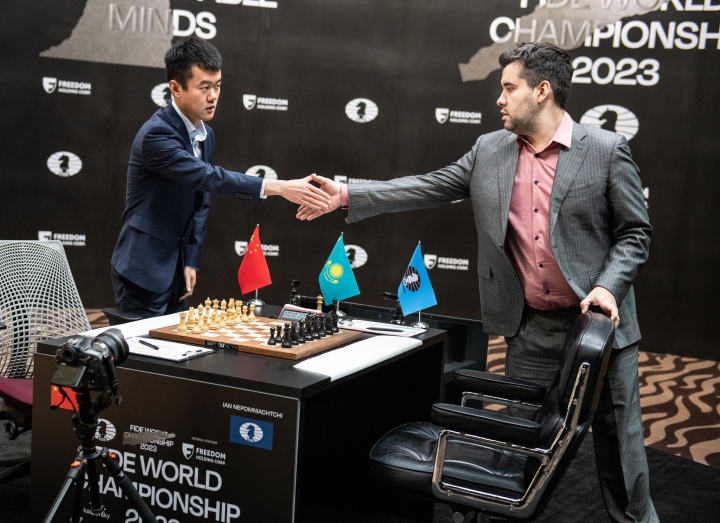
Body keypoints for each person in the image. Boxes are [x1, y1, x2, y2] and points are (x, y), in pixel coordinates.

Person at [299, 42, 658, 523]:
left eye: (509, 88)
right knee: (515, 455)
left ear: (542, 91)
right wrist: (346, 194)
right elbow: (428, 186)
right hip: (528, 327)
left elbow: (635, 233)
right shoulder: (489, 150)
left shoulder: (607, 150)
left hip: (600, 328)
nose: (500, 98)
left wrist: (608, 286)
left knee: (622, 461)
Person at [111, 36, 329, 318]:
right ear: (176, 88)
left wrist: (191, 261)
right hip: (144, 265)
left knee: (171, 347)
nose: (213, 96)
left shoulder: (205, 134)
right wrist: (278, 187)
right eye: (204, 87)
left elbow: (201, 201)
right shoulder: (157, 134)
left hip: (177, 267)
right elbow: (206, 177)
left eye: (217, 86)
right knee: (140, 355)